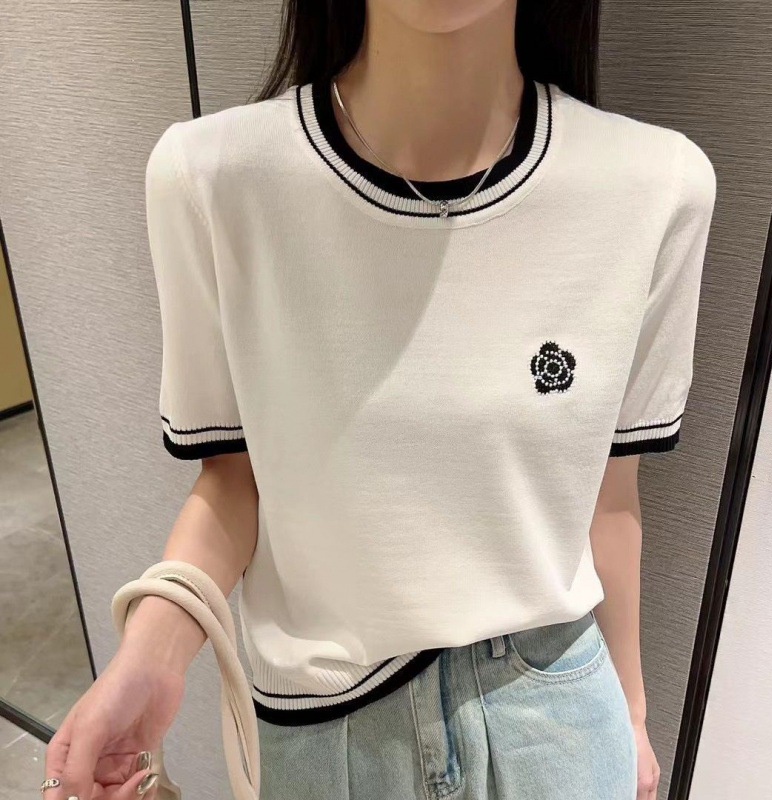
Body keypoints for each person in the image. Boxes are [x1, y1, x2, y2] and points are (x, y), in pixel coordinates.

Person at [43, 1, 717, 798]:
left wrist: (630, 713)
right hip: (330, 735)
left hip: (562, 725)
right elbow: (236, 478)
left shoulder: (657, 187)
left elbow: (609, 495)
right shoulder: (210, 180)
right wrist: (153, 651)